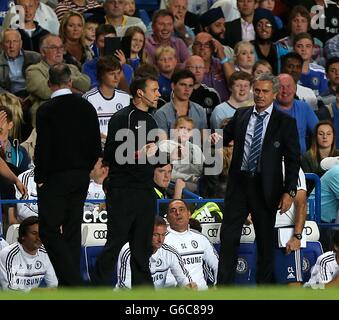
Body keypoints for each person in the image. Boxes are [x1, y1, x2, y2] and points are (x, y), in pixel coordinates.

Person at [210, 73, 301, 284]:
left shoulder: (285, 122)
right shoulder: (241, 114)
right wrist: (215, 137)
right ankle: (224, 288)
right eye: (257, 90)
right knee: (229, 237)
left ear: (275, 94)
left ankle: (263, 290)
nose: (259, 95)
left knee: (265, 242)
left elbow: (293, 160)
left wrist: (290, 192)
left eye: (265, 91)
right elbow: (225, 136)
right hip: (239, 185)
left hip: (266, 188)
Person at [34, 63, 102, 286]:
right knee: (72, 229)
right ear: (70, 82)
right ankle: (68, 285)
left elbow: (43, 147)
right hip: (81, 177)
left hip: (55, 178)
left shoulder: (46, 110)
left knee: (48, 229)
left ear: (49, 84)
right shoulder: (87, 107)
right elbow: (95, 146)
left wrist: (40, 178)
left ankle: (72, 281)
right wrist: (85, 169)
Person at [91, 75, 161, 287]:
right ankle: (98, 289)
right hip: (123, 190)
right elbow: (111, 154)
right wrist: (139, 153)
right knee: (115, 243)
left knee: (142, 248)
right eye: (154, 89)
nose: (158, 94)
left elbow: (153, 157)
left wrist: (170, 154)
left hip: (146, 190)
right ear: (140, 92)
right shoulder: (123, 117)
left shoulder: (152, 120)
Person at [26, 34, 91, 128]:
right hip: (48, 112)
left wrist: (62, 77)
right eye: (53, 47)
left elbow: (86, 84)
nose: (59, 51)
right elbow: (44, 92)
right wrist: (73, 88)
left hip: (74, 109)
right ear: (43, 51)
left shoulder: (71, 67)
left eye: (61, 47)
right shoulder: (34, 70)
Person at [116, 216, 196, 289]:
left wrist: (188, 286)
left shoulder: (170, 252)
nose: (160, 240)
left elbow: (183, 279)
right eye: (155, 235)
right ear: (146, 234)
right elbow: (125, 286)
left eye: (163, 235)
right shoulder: (129, 251)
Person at [164, 199, 219, 290]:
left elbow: (217, 264)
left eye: (182, 209)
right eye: (173, 211)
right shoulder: (161, 240)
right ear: (167, 218)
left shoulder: (201, 238)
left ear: (189, 214)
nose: (178, 213)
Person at [0, 216, 58, 291]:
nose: (39, 238)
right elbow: (9, 290)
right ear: (23, 236)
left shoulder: (46, 253)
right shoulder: (7, 254)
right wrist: (34, 292)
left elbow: (54, 286)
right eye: (34, 233)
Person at [83, 55, 130, 144]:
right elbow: (85, 128)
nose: (116, 78)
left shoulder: (125, 98)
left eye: (118, 73)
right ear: (101, 75)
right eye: (112, 74)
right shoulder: (88, 98)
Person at [274, 73, 318, 155]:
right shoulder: (268, 108)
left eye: (288, 86)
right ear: (274, 89)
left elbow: (318, 131)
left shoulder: (304, 107)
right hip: (274, 159)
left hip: (299, 159)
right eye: (280, 87)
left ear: (295, 89)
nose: (285, 91)